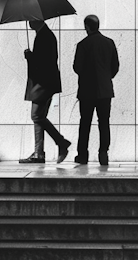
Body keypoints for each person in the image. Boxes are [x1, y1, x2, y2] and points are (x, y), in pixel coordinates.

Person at [20, 18, 71, 164]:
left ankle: (61, 142)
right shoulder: (44, 35)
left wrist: (30, 57)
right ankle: (39, 153)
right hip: (44, 84)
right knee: (39, 117)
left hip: (43, 85)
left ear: (37, 20)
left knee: (36, 116)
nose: (29, 23)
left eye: (30, 19)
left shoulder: (44, 36)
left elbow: (44, 62)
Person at [73, 14, 119, 167]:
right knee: (104, 122)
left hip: (87, 91)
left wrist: (87, 76)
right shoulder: (109, 43)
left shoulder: (82, 45)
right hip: (105, 90)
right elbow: (115, 67)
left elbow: (77, 67)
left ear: (86, 27)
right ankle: (103, 153)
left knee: (85, 122)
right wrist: (106, 77)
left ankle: (82, 155)